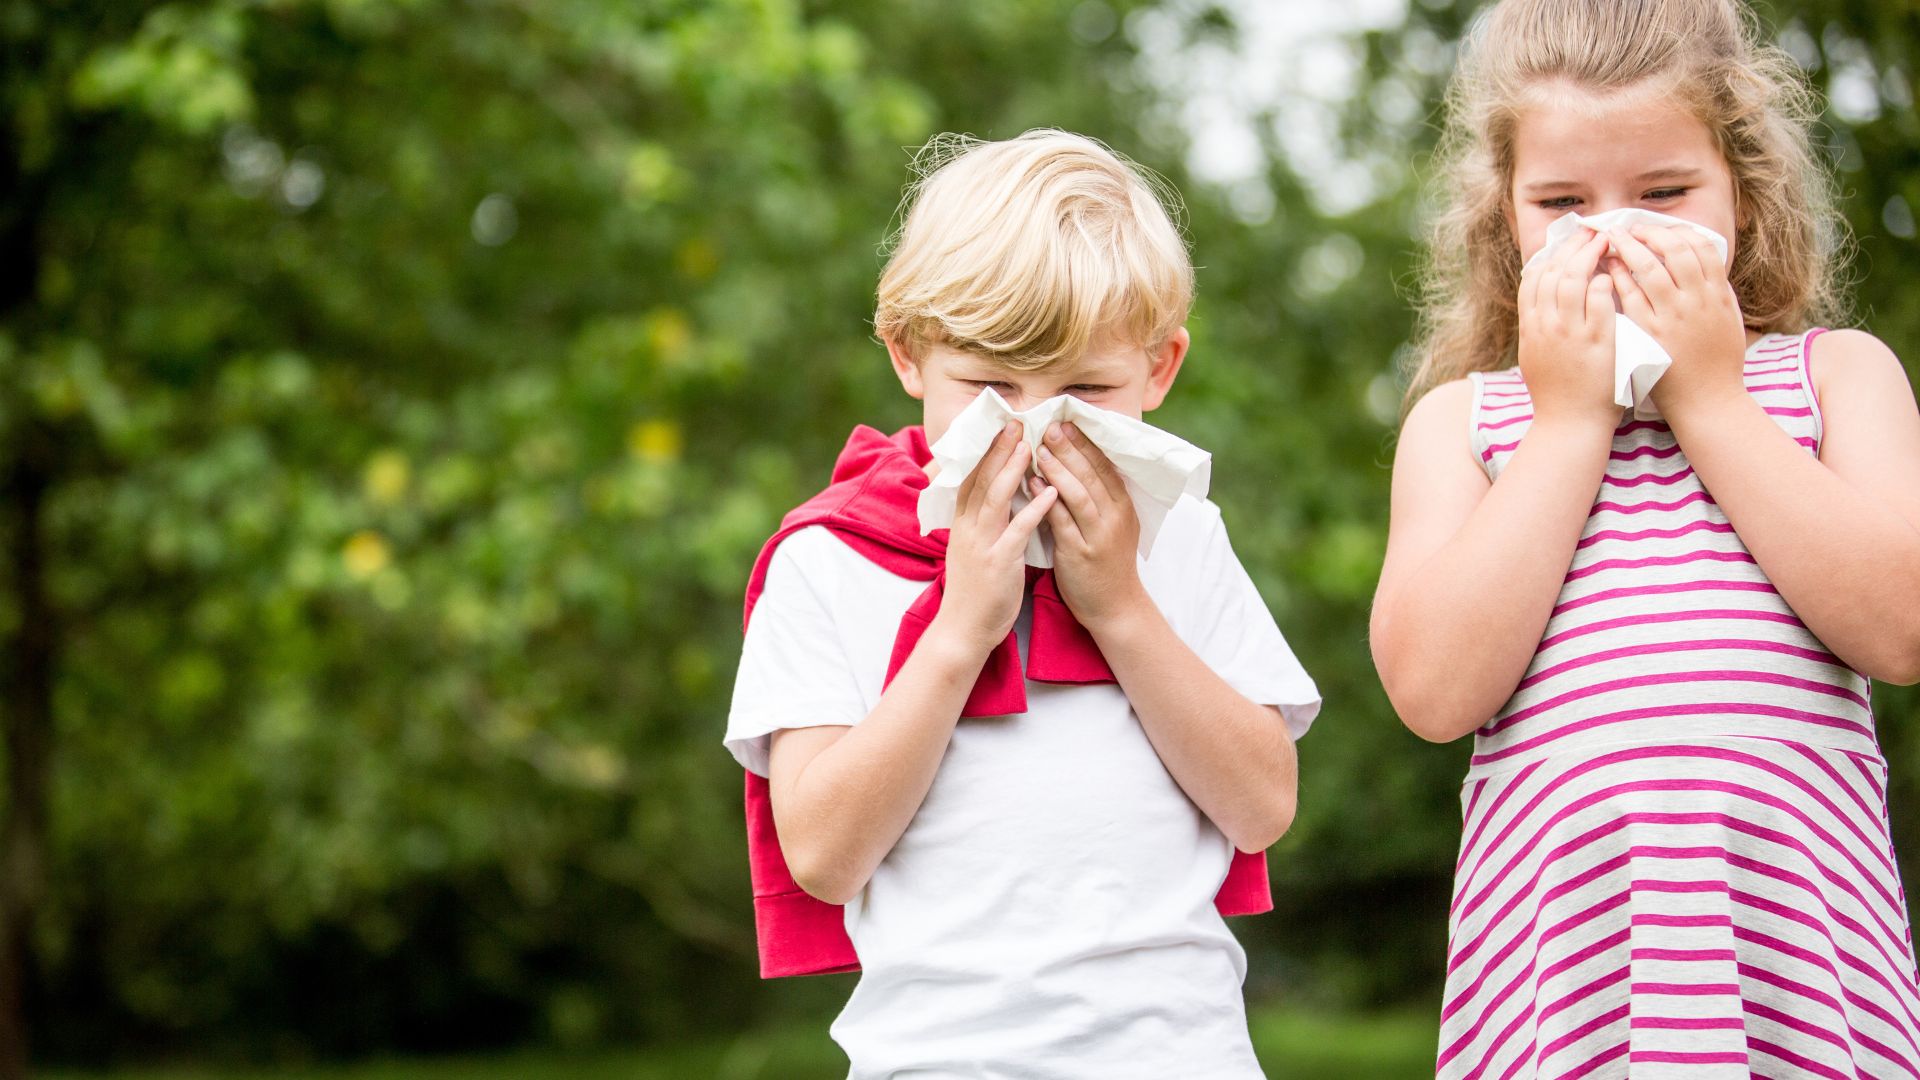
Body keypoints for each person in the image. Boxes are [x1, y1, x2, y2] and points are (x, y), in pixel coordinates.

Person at [1371, 1, 1920, 1076]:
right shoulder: (1466, 422)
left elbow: (1900, 631)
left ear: (1745, 199)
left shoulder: (1835, 377)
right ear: (1507, 222)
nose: (1613, 233)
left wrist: (1709, 396)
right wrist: (1572, 420)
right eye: (1564, 203)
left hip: (1794, 961)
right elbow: (1433, 695)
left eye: (1665, 193)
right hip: (1568, 974)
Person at [723, 129, 1320, 1078]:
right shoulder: (830, 560)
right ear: (910, 353)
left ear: (1161, 369)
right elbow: (826, 856)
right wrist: (962, 629)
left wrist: (1121, 606)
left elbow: (1261, 807)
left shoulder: (1183, 541)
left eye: (1086, 389)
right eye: (991, 387)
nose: (1037, 427)